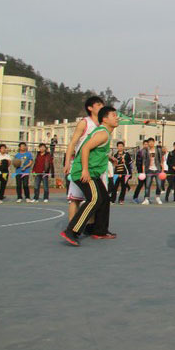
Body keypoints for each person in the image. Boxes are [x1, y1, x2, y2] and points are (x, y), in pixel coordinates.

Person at [59, 106, 120, 245]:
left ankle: (99, 230)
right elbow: (85, 148)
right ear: (105, 119)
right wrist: (85, 170)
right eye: (113, 115)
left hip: (92, 172)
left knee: (104, 198)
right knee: (95, 199)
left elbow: (94, 149)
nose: (117, 118)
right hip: (85, 172)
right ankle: (71, 230)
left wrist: (109, 157)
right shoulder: (103, 133)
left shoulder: (103, 133)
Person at [64, 96, 105, 225]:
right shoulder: (84, 123)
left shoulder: (102, 125)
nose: (101, 107)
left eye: (102, 104)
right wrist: (66, 163)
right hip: (81, 165)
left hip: (96, 166)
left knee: (95, 198)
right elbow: (72, 143)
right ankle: (71, 225)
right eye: (98, 105)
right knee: (75, 198)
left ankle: (90, 225)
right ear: (90, 108)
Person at [141, 138, 162, 205]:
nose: (150, 143)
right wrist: (143, 171)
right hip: (149, 170)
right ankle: (146, 198)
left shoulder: (158, 150)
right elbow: (143, 161)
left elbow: (161, 160)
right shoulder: (146, 151)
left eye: (151, 142)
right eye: (149, 142)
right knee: (147, 185)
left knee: (159, 184)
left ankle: (157, 197)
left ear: (154, 142)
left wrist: (163, 170)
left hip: (157, 169)